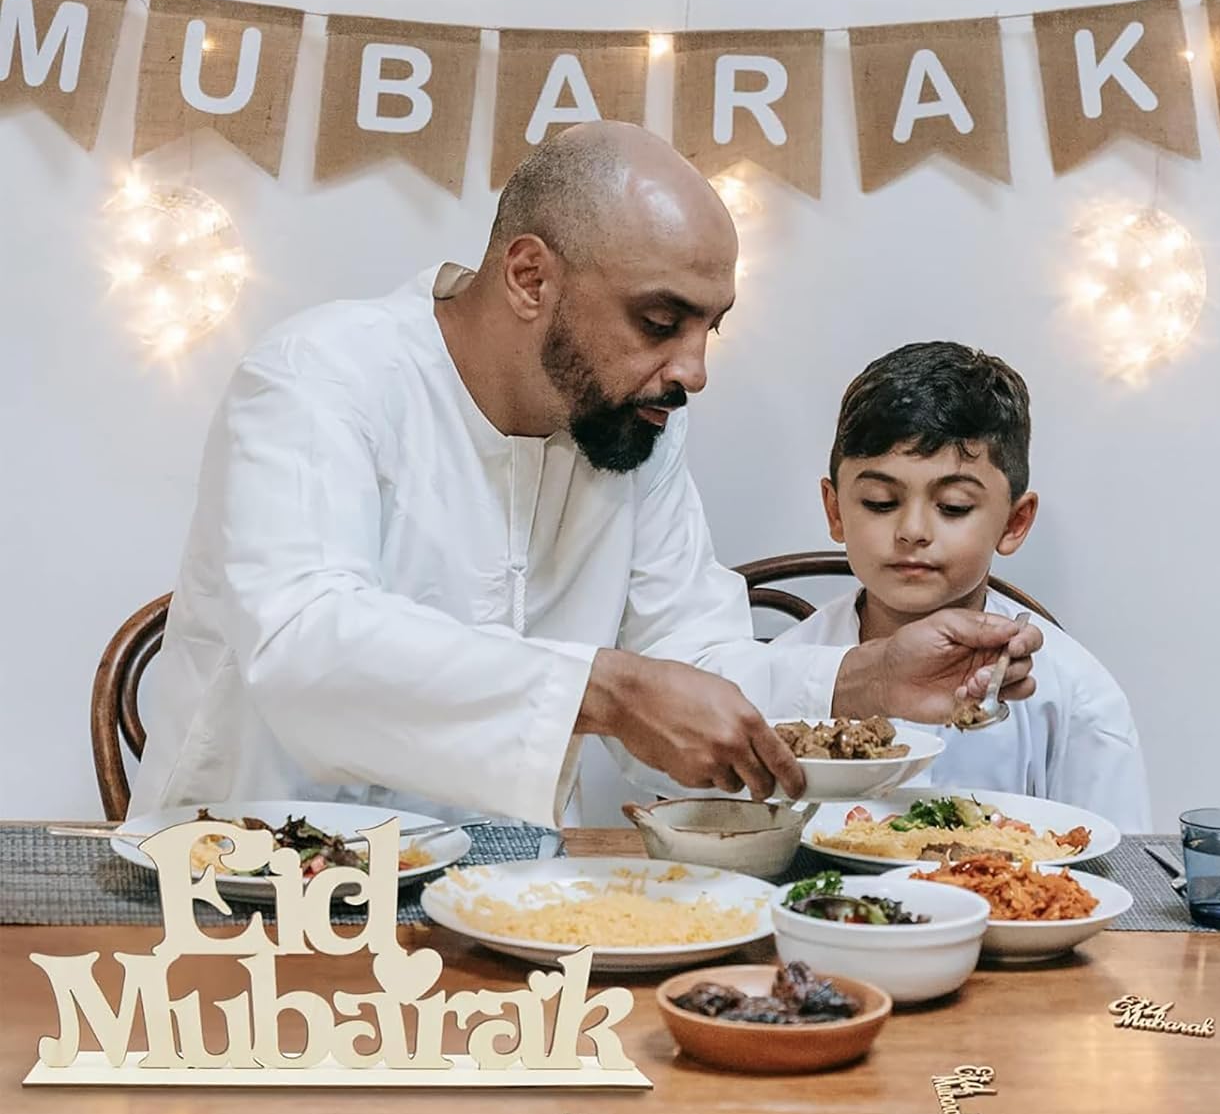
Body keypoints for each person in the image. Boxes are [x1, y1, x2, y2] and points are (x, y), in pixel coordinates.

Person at [131, 124, 1043, 827]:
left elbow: (693, 665)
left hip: (512, 905)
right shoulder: (319, 376)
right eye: (660, 321)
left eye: (708, 327)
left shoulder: (633, 427)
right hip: (241, 895)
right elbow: (307, 646)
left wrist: (859, 681)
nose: (694, 371)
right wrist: (607, 690)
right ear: (529, 276)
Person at [771, 341, 1151, 830]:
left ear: (1015, 522)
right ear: (834, 510)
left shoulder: (1077, 697)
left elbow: (1116, 863)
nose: (912, 531)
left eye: (952, 507)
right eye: (880, 502)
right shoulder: (780, 672)